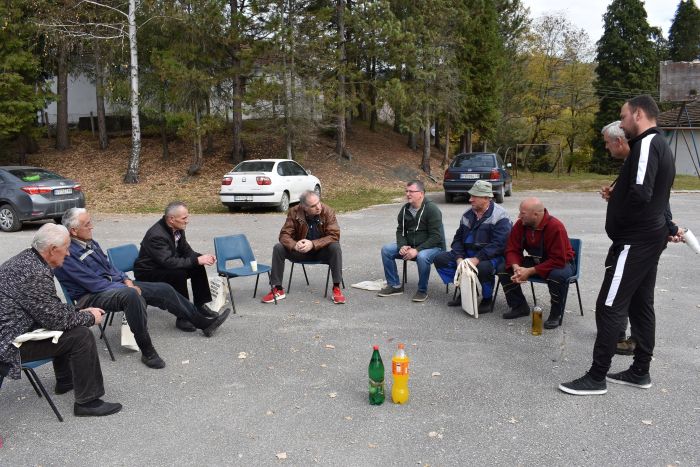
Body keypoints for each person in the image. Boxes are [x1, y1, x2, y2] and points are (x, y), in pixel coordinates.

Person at [560, 95, 675, 396]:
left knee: (609, 305)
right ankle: (640, 371)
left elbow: (641, 194)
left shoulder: (647, 144)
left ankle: (596, 377)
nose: (622, 125)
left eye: (623, 117)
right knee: (640, 304)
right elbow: (658, 195)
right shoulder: (660, 145)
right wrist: (668, 226)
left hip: (634, 242)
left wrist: (622, 225)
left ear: (638, 114)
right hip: (649, 239)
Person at [55, 209, 231, 369]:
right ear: (73, 231)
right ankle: (147, 350)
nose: (92, 226)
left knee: (163, 289)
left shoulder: (90, 243)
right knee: (132, 296)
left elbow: (110, 268)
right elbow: (92, 283)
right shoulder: (67, 253)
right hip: (91, 297)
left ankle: (202, 322)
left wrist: (126, 280)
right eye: (87, 224)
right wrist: (125, 287)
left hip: (114, 287)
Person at [0, 224, 122, 417]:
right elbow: (55, 319)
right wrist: (90, 317)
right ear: (52, 250)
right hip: (8, 345)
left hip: (12, 332)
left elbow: (49, 308)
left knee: (70, 325)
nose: (68, 254)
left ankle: (65, 381)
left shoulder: (27, 259)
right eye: (66, 248)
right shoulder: (35, 273)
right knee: (81, 335)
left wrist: (79, 310)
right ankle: (88, 402)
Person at [600, 121, 685, 356]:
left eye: (608, 143)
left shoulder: (643, 156)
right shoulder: (633, 161)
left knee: (613, 301)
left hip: (636, 241)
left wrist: (670, 226)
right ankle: (638, 357)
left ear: (619, 141)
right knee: (639, 298)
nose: (607, 148)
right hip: (641, 238)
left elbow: (656, 200)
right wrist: (615, 197)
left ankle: (606, 362)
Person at [433, 180, 511, 314]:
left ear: (486, 198)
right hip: (468, 254)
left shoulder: (500, 215)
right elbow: (457, 240)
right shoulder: (467, 215)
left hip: (492, 256)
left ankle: (487, 299)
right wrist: (459, 258)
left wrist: (476, 259)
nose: (470, 199)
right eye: (471, 196)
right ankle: (467, 289)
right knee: (440, 259)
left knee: (483, 267)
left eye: (474, 197)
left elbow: (498, 245)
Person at [497, 197, 575, 329]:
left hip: (560, 263)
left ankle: (556, 314)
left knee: (557, 276)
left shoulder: (555, 227)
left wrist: (530, 271)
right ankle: (519, 306)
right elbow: (512, 249)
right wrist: (516, 267)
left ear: (536, 214)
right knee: (503, 268)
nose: (519, 216)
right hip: (536, 260)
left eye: (523, 213)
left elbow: (558, 259)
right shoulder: (520, 224)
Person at [134, 201, 218, 317]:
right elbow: (168, 262)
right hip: (148, 272)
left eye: (187, 217)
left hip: (162, 266)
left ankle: (200, 305)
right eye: (184, 218)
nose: (187, 220)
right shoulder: (156, 235)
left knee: (197, 267)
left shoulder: (177, 228)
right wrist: (197, 260)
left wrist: (202, 257)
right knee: (179, 274)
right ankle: (183, 316)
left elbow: (186, 251)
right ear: (172, 219)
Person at [262, 190, 346, 304]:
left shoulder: (327, 211)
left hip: (320, 252)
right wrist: (294, 245)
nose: (318, 207)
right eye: (313, 206)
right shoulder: (294, 212)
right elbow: (284, 235)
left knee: (335, 247)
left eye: (318, 202)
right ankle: (277, 288)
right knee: (278, 248)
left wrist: (313, 244)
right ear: (304, 207)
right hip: (300, 252)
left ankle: (336, 288)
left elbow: (334, 235)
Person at [378, 180, 445, 302]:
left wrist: (417, 250)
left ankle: (422, 290)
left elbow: (436, 237)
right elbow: (400, 231)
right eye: (406, 191)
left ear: (421, 193)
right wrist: (403, 245)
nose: (408, 194)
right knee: (386, 250)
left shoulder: (432, 209)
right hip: (412, 246)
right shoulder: (405, 209)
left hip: (434, 247)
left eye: (411, 191)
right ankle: (394, 285)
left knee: (422, 256)